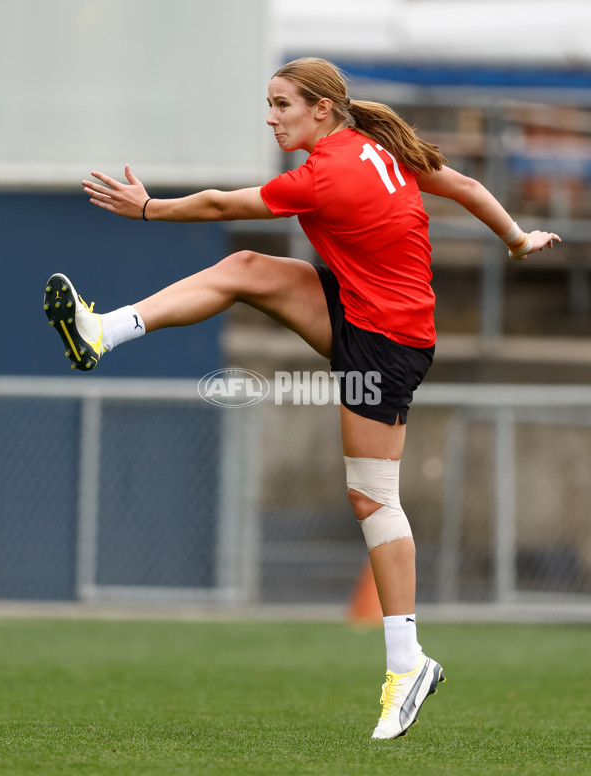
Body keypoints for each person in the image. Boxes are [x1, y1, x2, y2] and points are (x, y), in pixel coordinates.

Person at [43, 57, 560, 739]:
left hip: (388, 340)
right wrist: (516, 237)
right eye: (269, 103)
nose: (271, 116)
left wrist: (146, 209)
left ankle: (408, 663)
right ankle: (102, 332)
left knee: (373, 496)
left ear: (322, 108)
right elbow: (462, 182)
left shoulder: (328, 172)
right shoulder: (376, 146)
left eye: (282, 104)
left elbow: (223, 204)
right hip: (360, 307)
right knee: (244, 268)